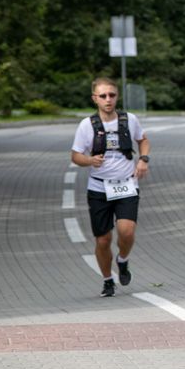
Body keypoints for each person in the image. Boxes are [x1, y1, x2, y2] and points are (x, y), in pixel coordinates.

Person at [71, 77, 150, 297]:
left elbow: (143, 140)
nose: (108, 99)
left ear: (117, 96)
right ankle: (107, 280)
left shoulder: (128, 120)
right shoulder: (87, 125)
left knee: (127, 231)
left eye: (112, 95)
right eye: (103, 96)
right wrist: (89, 161)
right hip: (99, 189)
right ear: (94, 98)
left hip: (126, 185)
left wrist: (143, 159)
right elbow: (76, 155)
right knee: (103, 239)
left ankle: (122, 260)